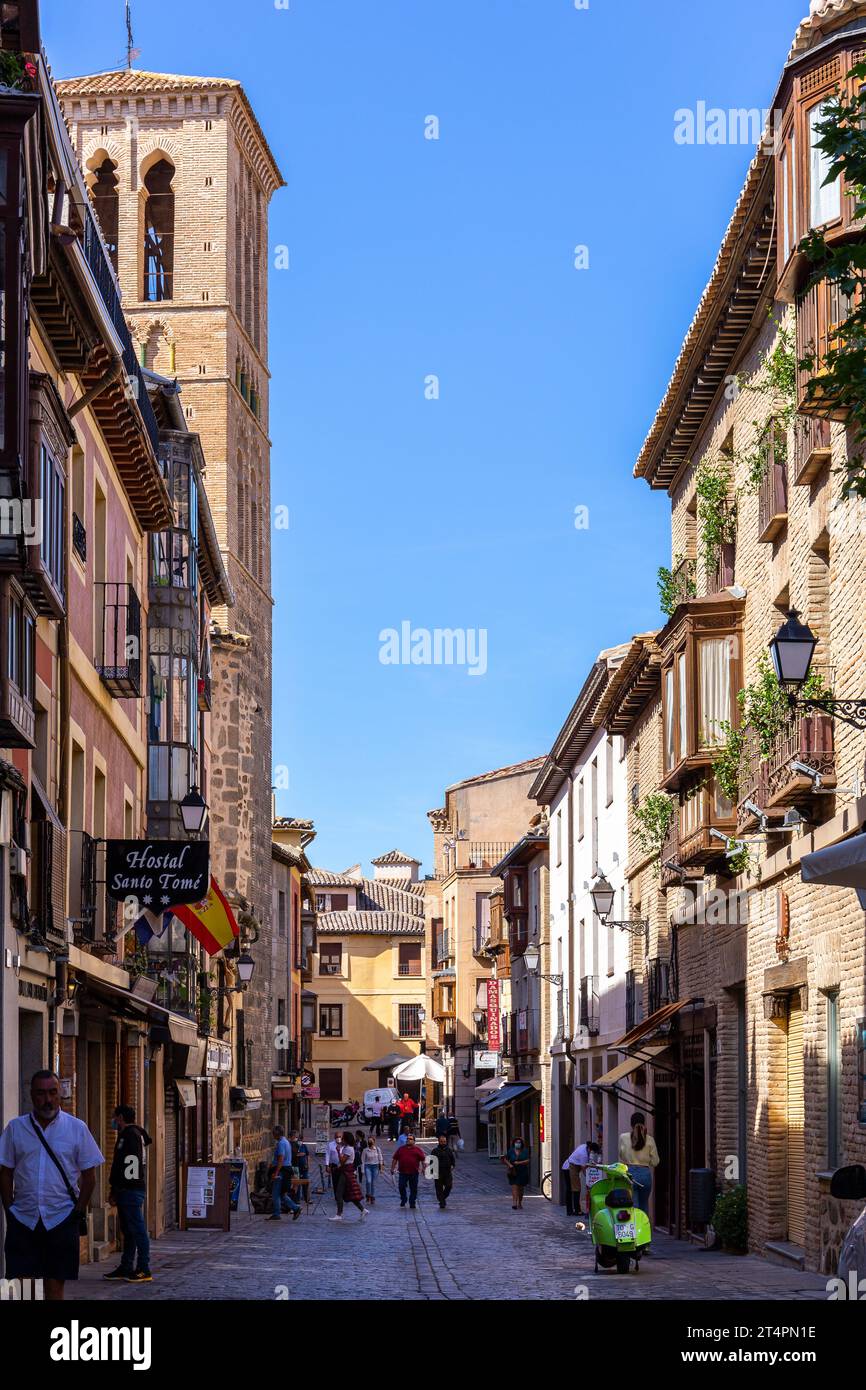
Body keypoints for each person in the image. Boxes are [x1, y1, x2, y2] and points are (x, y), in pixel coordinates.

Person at [0, 1070, 104, 1302]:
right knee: (23, 1291)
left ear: (60, 1095)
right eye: (41, 1093)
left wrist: (77, 1212)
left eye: (52, 1092)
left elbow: (90, 1178)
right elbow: (5, 1173)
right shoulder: (16, 1128)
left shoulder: (77, 1129)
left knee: (54, 1289)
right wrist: (10, 1210)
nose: (47, 1099)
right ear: (31, 1095)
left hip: (60, 1220)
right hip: (24, 1219)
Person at [104, 1105, 153, 1283]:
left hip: (130, 1190)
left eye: (114, 1117)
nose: (113, 1121)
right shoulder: (136, 1134)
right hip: (129, 1189)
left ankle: (143, 1268)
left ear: (121, 1117)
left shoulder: (129, 1135)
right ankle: (126, 1266)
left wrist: (119, 1189)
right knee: (130, 1231)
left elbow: (128, 1166)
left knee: (138, 1230)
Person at [619, 1111, 659, 1221]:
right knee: (644, 1204)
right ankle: (644, 1232)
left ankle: (633, 1231)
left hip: (630, 1173)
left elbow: (621, 1157)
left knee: (633, 1205)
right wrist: (646, 1161)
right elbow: (655, 1162)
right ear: (644, 1123)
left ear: (631, 1124)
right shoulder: (650, 1139)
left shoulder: (623, 1137)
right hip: (645, 1173)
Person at [268, 1125, 302, 1221]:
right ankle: (295, 1208)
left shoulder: (281, 1143)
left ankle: (277, 1213)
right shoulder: (285, 1141)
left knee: (276, 1193)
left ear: (276, 1134)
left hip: (282, 1170)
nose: (273, 1135)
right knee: (281, 1193)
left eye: (273, 1133)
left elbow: (281, 1159)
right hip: (286, 1169)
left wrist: (276, 1172)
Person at [330, 1136, 367, 1222]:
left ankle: (339, 1214)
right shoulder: (346, 1148)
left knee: (339, 1193)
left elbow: (343, 1161)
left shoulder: (348, 1149)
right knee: (350, 1194)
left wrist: (338, 1151)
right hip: (344, 1171)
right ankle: (363, 1210)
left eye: (343, 1139)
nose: (341, 1140)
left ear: (346, 1140)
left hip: (346, 1173)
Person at [562, 1140, 601, 1217]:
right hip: (569, 1168)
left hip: (569, 1166)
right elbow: (584, 1169)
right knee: (575, 1189)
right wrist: (590, 1178)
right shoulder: (583, 1155)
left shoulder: (584, 1146)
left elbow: (585, 1163)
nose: (592, 1154)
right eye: (593, 1152)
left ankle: (570, 1211)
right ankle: (577, 1210)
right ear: (590, 1149)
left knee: (570, 1189)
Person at [391, 1132, 426, 1209]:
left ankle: (412, 1202)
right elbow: (395, 1159)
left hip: (414, 1172)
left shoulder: (418, 1150)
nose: (408, 1140)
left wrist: (424, 1168)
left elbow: (423, 1160)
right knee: (401, 1186)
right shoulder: (401, 1149)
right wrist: (392, 1168)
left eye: (410, 1139)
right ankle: (404, 1199)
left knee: (413, 1188)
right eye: (407, 1139)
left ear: (414, 1141)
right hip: (403, 1172)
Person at [502, 1136, 531, 1209]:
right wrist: (509, 1164)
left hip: (523, 1171)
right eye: (516, 1142)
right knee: (514, 1186)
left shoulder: (525, 1151)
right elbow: (505, 1159)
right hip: (513, 1171)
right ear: (514, 1143)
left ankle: (520, 1203)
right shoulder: (511, 1151)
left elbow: (528, 1160)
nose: (518, 1144)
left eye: (519, 1142)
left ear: (521, 1144)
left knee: (521, 1188)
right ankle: (514, 1203)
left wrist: (519, 1163)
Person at [432, 1133, 456, 1210]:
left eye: (444, 1141)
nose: (443, 1143)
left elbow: (452, 1160)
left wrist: (452, 1165)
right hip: (438, 1172)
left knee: (449, 1186)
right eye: (442, 1141)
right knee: (439, 1188)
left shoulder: (449, 1150)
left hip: (447, 1171)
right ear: (439, 1142)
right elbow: (431, 1162)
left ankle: (442, 1199)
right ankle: (442, 1202)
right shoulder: (435, 1151)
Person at [326, 1131, 345, 1215]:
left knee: (342, 1181)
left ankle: (341, 1195)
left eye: (340, 1136)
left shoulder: (344, 1145)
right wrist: (327, 1165)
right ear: (334, 1137)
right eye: (337, 1136)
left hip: (342, 1165)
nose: (338, 1138)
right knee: (335, 1181)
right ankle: (337, 1196)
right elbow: (327, 1155)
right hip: (334, 1165)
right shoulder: (330, 1145)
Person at [363, 1136, 384, 1203]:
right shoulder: (365, 1150)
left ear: (374, 1142)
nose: (370, 1142)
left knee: (373, 1182)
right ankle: (368, 1194)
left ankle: (372, 1196)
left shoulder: (377, 1149)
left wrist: (381, 1168)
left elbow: (380, 1158)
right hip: (368, 1166)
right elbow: (362, 1160)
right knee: (368, 1181)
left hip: (375, 1166)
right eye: (369, 1141)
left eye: (371, 1141)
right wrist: (362, 1170)